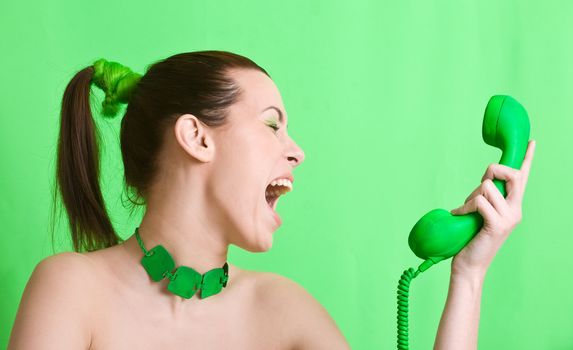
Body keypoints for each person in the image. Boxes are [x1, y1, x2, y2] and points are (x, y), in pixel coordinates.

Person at [7, 50, 536, 350]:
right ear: (197, 137)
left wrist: (468, 276)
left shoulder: (286, 310)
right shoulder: (70, 288)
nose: (297, 152)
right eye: (271, 125)